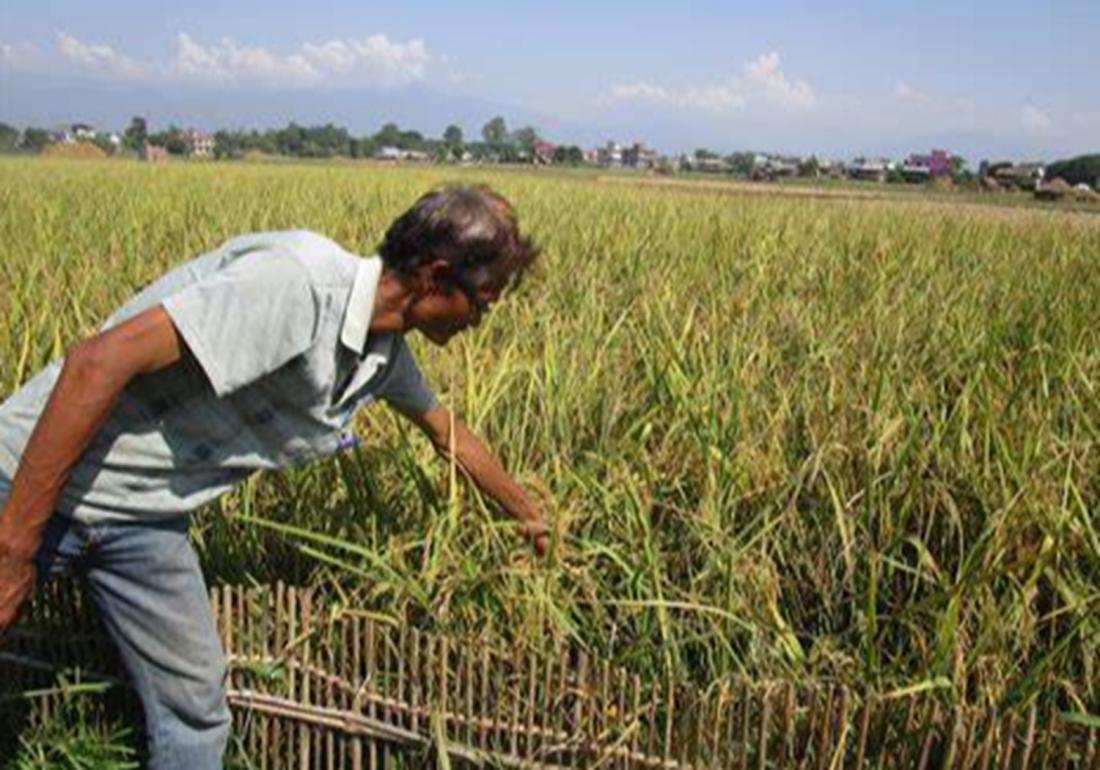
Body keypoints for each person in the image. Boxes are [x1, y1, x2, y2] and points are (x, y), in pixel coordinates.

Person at [0, 184, 549, 768]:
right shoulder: (298, 285)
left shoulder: (381, 358)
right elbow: (96, 362)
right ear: (436, 278)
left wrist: (530, 515)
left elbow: (451, 435)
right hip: (30, 482)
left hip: (141, 517)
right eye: (483, 301)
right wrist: (13, 547)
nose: (481, 321)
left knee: (196, 713)